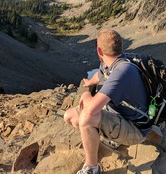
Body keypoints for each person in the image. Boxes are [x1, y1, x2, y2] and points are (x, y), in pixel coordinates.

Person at [64, 28, 151, 174]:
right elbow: (101, 73)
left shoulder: (122, 72)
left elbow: (91, 108)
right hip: (121, 117)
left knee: (86, 117)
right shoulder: (115, 60)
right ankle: (108, 137)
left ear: (99, 51)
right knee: (69, 116)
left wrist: (86, 96)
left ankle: (92, 167)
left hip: (135, 129)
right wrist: (89, 82)